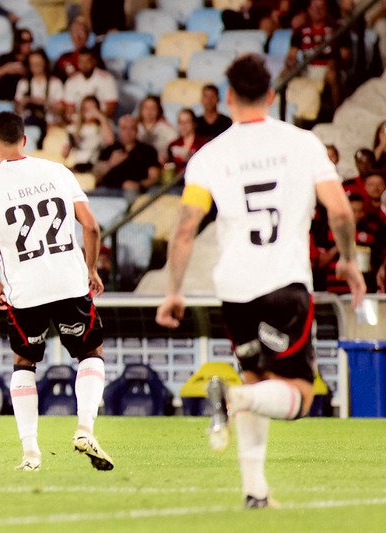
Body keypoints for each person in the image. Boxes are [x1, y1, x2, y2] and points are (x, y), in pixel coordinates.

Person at [155, 54, 365, 509]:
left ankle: (255, 491)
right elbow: (341, 211)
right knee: (300, 396)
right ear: (271, 95)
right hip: (283, 284)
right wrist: (349, 262)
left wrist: (173, 291)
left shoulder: (209, 156)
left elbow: (185, 228)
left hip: (234, 289)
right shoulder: (302, 143)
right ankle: (229, 397)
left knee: (255, 378)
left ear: (227, 97)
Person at [0, 111, 113, 472]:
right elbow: (91, 227)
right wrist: (91, 268)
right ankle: (85, 428)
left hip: (25, 289)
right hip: (69, 282)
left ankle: (31, 452)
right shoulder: (58, 172)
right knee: (90, 353)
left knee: (24, 362)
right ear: (25, 140)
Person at [92, 115, 161, 201]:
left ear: (137, 130)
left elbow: (154, 177)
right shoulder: (109, 149)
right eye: (124, 128)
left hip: (132, 191)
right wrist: (110, 163)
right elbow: (96, 175)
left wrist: (138, 185)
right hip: (107, 190)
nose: (128, 132)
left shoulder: (148, 151)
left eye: (132, 128)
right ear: (119, 130)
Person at [62, 48, 118, 123]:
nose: (84, 65)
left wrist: (96, 120)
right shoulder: (71, 82)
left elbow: (111, 108)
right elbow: (69, 109)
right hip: (78, 123)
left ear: (94, 62)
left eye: (87, 61)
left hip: (101, 121)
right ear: (78, 63)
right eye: (81, 61)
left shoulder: (106, 78)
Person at [64, 95, 115, 173]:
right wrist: (68, 147)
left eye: (92, 108)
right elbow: (65, 154)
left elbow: (110, 141)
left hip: (96, 165)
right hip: (77, 165)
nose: (89, 111)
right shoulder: (73, 128)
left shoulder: (104, 125)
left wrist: (101, 118)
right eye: (86, 108)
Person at [0, 28, 34, 103]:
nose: (28, 45)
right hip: (2, 99)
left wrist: (24, 71)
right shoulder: (4, 58)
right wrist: (6, 69)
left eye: (30, 41)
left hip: (22, 101)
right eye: (24, 41)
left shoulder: (33, 59)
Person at [136, 95, 178, 164]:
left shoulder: (166, 129)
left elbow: (175, 146)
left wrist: (166, 157)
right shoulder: (134, 128)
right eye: (146, 107)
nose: (149, 111)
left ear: (158, 110)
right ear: (141, 109)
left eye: (153, 108)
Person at [167, 109, 208, 176]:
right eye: (180, 122)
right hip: (177, 180)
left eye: (187, 122)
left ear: (194, 124)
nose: (183, 125)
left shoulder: (203, 144)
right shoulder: (173, 145)